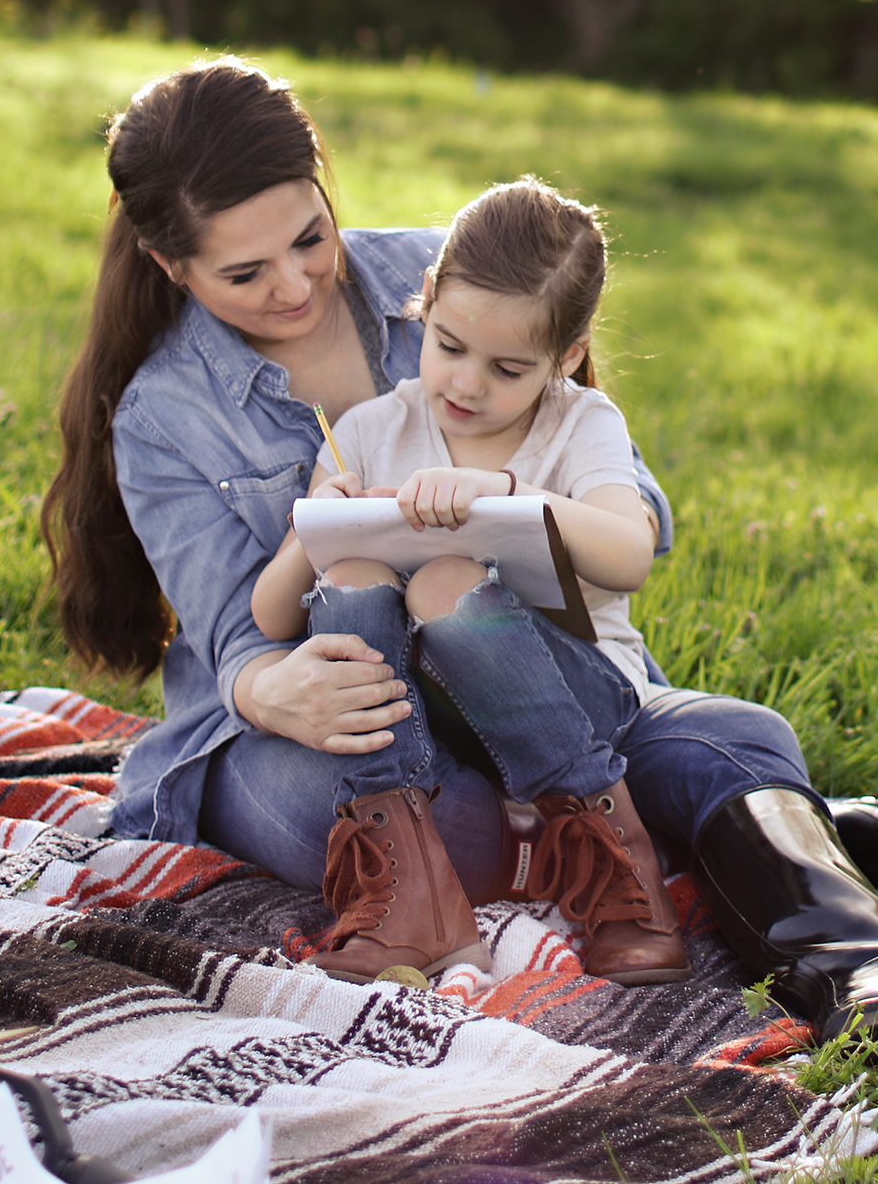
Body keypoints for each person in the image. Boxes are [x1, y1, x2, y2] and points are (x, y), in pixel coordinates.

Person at [43, 56, 878, 1058]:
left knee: (734, 731)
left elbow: (622, 505)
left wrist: (503, 505)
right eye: (245, 274)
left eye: (309, 238)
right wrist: (265, 681)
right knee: (470, 818)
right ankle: (739, 830)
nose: (293, 286)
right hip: (316, 729)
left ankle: (873, 975)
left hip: (513, 665)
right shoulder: (164, 414)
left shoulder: (451, 277)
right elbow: (235, 627)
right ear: (169, 263)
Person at [249, 177, 690, 987]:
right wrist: (312, 529)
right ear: (424, 303)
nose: (467, 384)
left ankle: (614, 860)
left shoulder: (580, 425)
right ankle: (407, 887)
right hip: (431, 725)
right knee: (351, 570)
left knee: (448, 580)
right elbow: (272, 615)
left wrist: (514, 497)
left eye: (509, 368)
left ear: (567, 355)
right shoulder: (370, 435)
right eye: (448, 345)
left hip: (579, 702)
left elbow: (630, 554)